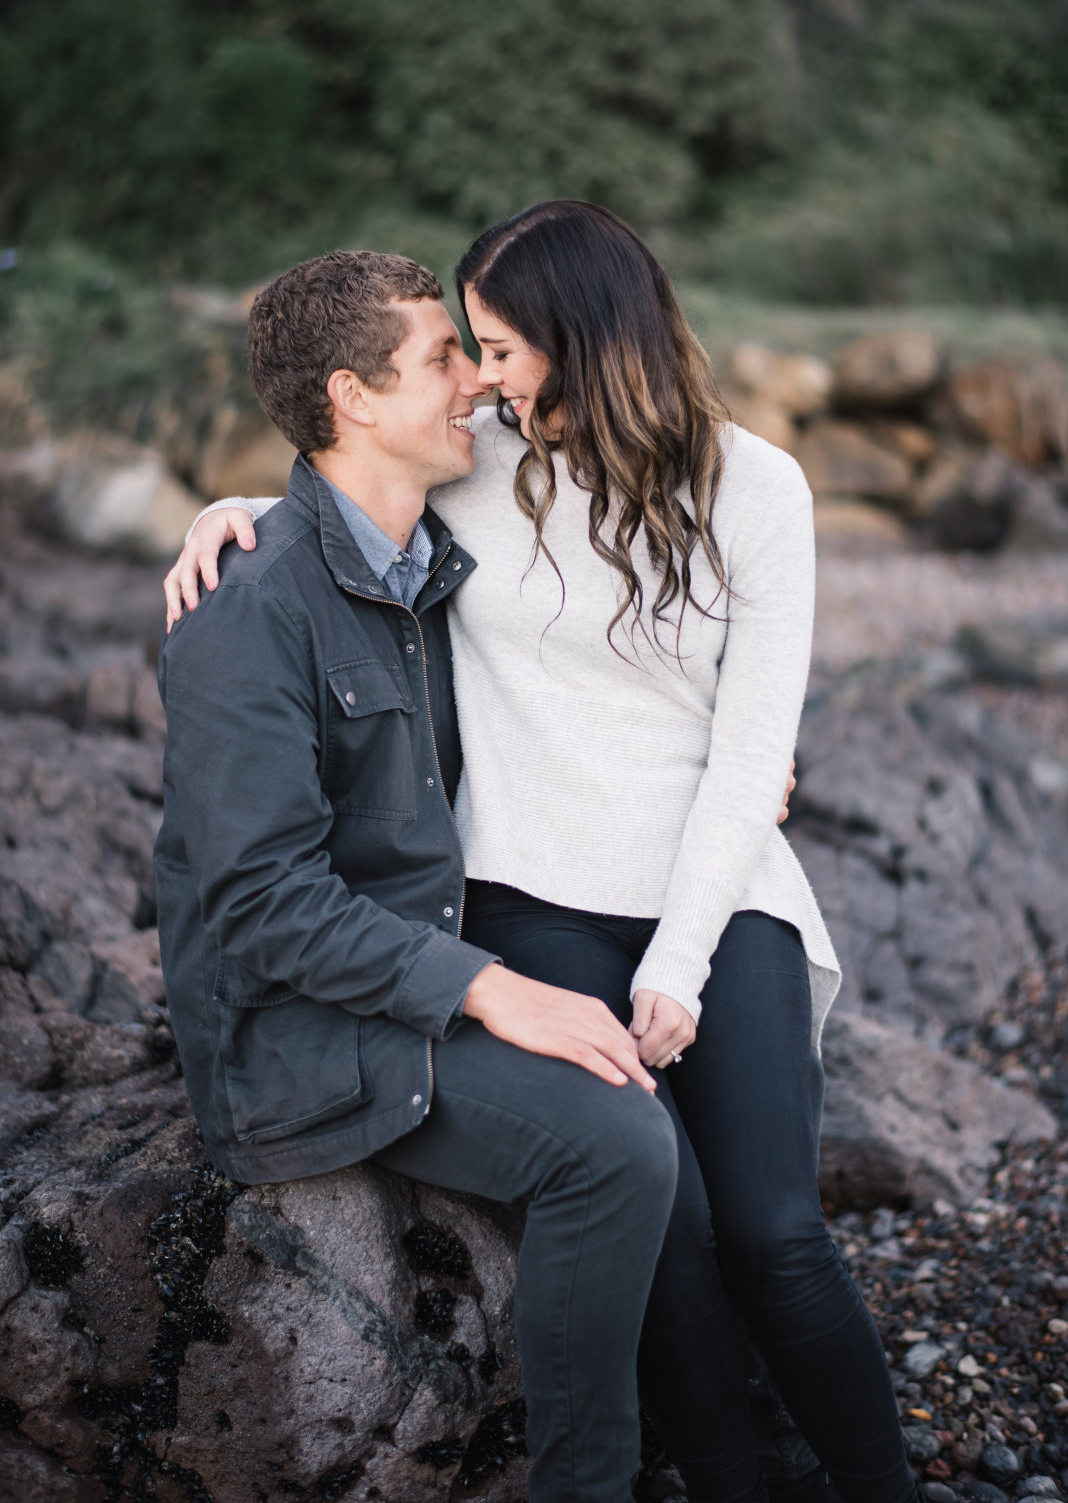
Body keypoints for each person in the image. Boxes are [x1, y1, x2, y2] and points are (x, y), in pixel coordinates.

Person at [165, 203, 918, 1503]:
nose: (481, 377)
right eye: (463, 351)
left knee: (777, 1233)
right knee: (666, 1210)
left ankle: (886, 1485)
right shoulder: (485, 466)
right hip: (529, 891)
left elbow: (753, 756)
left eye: (501, 348)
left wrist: (678, 962)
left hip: (715, 891)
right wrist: (226, 513)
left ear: (585, 335)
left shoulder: (758, 488)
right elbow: (344, 491)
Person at [154, 246, 682, 1503]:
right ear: (352, 395)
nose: (476, 382)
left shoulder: (430, 560)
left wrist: (748, 763)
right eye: (444, 355)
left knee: (666, 1090)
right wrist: (494, 991)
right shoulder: (250, 607)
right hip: (297, 1036)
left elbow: (623, 635)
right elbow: (260, 903)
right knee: (617, 1143)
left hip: (408, 975)